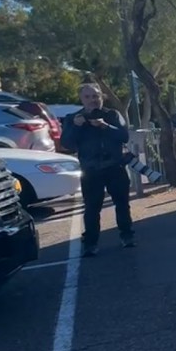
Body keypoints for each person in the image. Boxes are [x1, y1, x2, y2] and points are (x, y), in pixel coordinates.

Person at [60, 83, 136, 256]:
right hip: (91, 171)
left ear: (101, 97)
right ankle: (90, 243)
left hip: (114, 167)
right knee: (92, 208)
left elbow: (124, 136)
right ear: (81, 99)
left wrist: (105, 126)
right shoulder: (73, 118)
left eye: (95, 96)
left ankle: (127, 236)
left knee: (122, 204)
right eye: (87, 97)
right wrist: (76, 126)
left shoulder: (112, 115)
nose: (92, 100)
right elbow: (67, 144)